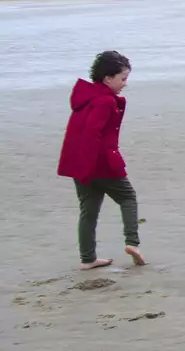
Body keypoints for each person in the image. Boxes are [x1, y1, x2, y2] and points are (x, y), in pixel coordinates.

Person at [57, 50, 146, 270]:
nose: (125, 83)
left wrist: (82, 169)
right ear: (107, 78)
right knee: (128, 197)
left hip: (80, 164)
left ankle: (87, 258)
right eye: (122, 78)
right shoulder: (104, 101)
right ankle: (132, 242)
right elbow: (91, 135)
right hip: (100, 163)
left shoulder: (87, 97)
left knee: (89, 209)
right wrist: (89, 168)